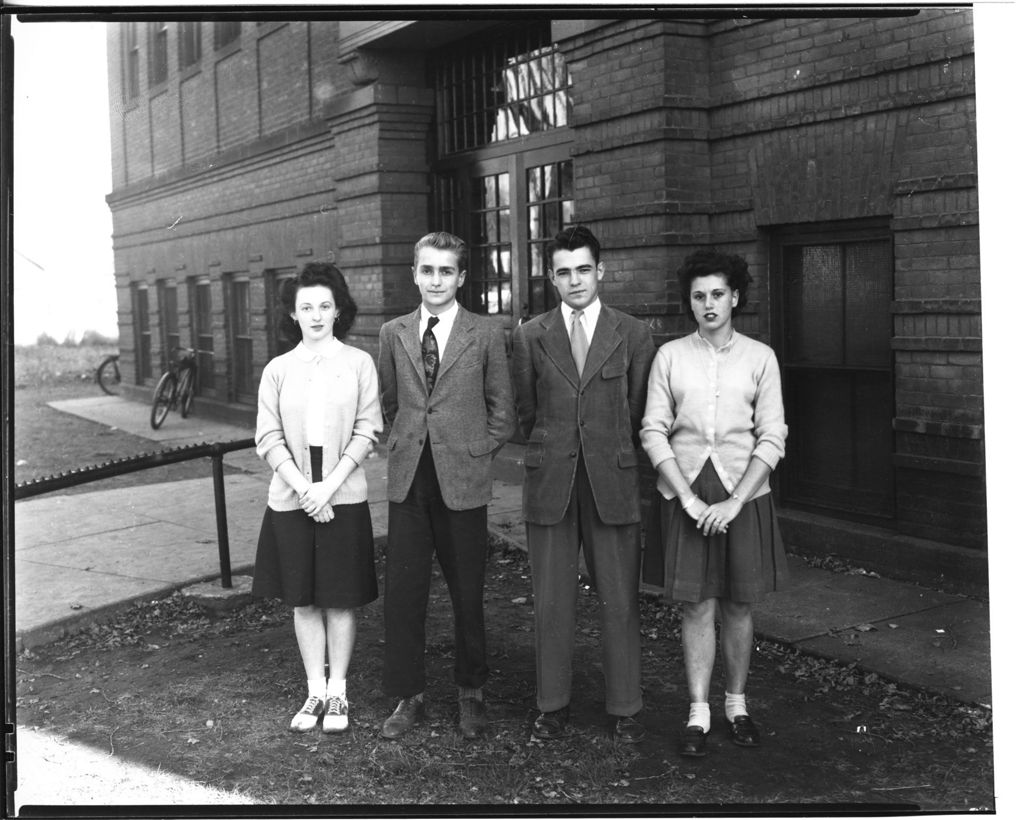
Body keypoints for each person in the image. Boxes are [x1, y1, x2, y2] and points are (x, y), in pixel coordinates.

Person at [640, 249, 788, 758]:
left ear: (735, 298)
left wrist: (735, 502)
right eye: (699, 295)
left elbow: (772, 437)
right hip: (685, 493)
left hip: (743, 496)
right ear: (690, 301)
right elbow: (653, 430)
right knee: (696, 604)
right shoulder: (671, 356)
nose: (708, 304)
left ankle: (736, 705)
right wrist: (684, 496)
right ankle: (698, 712)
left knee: (739, 603)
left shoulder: (760, 357)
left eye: (718, 294)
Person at [511, 225, 656, 743]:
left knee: (619, 599)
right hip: (551, 481)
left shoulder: (633, 334)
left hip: (610, 481)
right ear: (552, 277)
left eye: (584, 269)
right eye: (564, 272)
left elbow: (639, 411)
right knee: (551, 601)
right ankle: (552, 706)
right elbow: (525, 413)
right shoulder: (530, 336)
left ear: (601, 271)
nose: (575, 280)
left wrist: (606, 447)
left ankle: (625, 708)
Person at [377, 231, 515, 740]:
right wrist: (410, 442)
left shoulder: (486, 333)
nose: (436, 280)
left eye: (446, 271)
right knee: (405, 593)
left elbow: (504, 411)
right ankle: (407, 696)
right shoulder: (394, 332)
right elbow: (392, 403)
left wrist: (477, 452)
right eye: (427, 270)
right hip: (410, 480)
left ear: (461, 277)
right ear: (414, 273)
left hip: (463, 479)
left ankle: (471, 693)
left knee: (468, 593)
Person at [252, 262, 383, 734]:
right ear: (293, 313)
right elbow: (267, 437)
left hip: (342, 496)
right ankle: (314, 690)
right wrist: (306, 488)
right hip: (292, 498)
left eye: (324, 306)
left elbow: (369, 429)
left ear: (338, 310)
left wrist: (329, 486)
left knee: (340, 600)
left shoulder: (358, 363)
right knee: (304, 601)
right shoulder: (278, 370)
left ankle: (339, 694)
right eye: (306, 307)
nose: (315, 315)